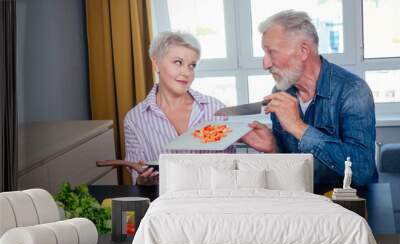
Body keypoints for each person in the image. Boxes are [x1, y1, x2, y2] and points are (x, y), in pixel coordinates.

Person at [241, 10, 377, 194]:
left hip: (351, 201)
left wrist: (298, 127)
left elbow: (362, 171)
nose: (265, 64)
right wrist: (273, 147)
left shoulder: (353, 91)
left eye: (271, 52)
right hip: (305, 199)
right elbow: (292, 168)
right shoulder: (281, 92)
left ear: (303, 51)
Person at [124, 31, 231, 185]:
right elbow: (138, 178)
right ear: (156, 63)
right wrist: (144, 180)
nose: (186, 72)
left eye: (192, 66)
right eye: (178, 62)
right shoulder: (135, 119)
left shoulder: (216, 110)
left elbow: (228, 168)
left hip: (212, 201)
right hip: (165, 204)